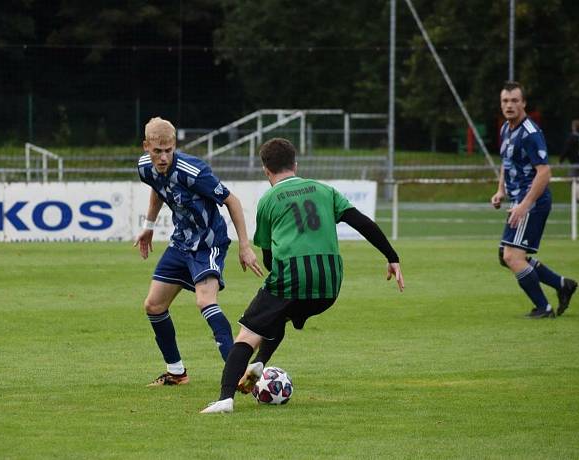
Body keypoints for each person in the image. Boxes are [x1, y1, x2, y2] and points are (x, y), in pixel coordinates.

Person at [201, 138, 404, 413]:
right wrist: (392, 257)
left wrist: (277, 275)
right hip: (330, 284)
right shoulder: (325, 190)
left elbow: (270, 256)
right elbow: (362, 222)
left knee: (248, 333)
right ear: (295, 165)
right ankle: (261, 363)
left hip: (293, 277)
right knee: (280, 314)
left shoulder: (269, 200)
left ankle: (226, 399)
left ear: (265, 170)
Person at [134, 117, 263, 386]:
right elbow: (158, 190)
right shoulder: (145, 168)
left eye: (169, 150)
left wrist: (244, 245)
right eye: (157, 151)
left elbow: (231, 200)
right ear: (146, 146)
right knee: (154, 305)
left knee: (205, 301)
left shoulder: (193, 171)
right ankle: (177, 373)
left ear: (174, 145)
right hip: (180, 243)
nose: (163, 157)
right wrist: (148, 226)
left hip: (208, 244)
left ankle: (238, 373)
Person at [491, 81, 578, 319]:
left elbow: (545, 172)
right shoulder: (506, 129)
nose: (509, 105)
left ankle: (544, 308)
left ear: (524, 103)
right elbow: (506, 163)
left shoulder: (531, 133)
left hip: (532, 202)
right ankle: (562, 284)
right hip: (519, 200)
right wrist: (501, 190)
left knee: (512, 257)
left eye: (514, 101)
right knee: (506, 256)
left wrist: (524, 205)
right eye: (505, 101)